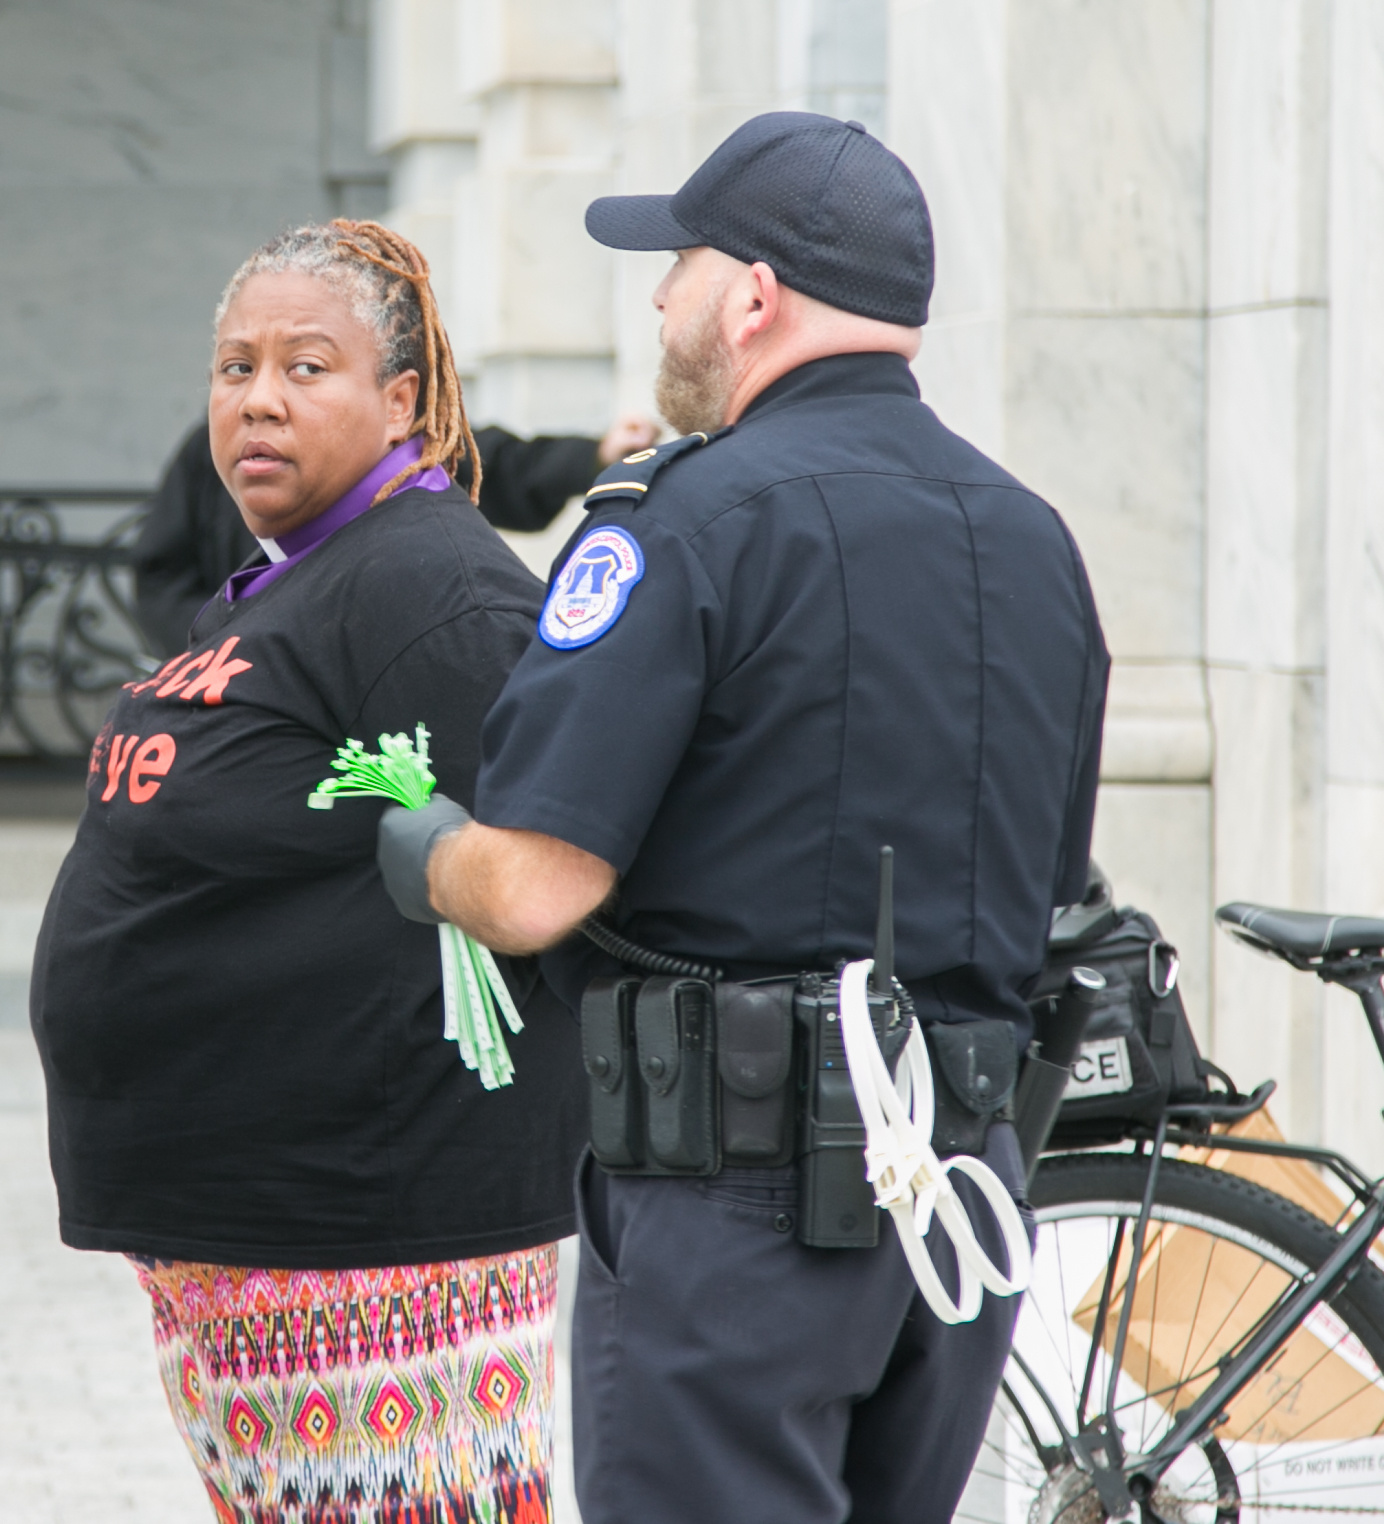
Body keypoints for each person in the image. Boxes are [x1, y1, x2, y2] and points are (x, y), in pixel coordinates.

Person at [375, 114, 1109, 1522]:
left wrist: (419, 851)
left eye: (679, 264)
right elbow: (1049, 872)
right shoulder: (1031, 537)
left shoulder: (687, 522)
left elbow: (529, 887)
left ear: (754, 296)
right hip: (960, 1194)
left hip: (740, 1203)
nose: (660, 297)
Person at [32, 220, 588, 1522]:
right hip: (259, 1243)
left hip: (377, 1248)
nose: (258, 399)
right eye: (234, 369)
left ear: (403, 400)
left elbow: (536, 883)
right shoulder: (299, 577)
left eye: (307, 367)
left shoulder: (432, 594)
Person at [131, 414, 659, 655]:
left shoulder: (388, 448)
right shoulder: (212, 449)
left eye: (309, 366)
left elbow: (491, 464)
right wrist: (211, 650)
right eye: (241, 367)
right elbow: (162, 575)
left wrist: (592, 455)